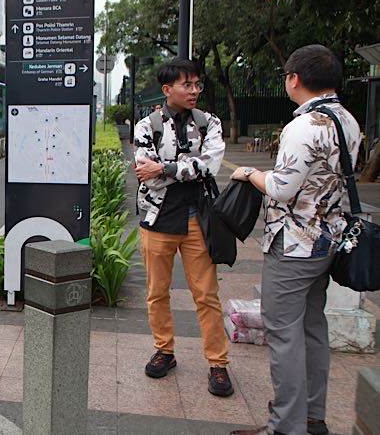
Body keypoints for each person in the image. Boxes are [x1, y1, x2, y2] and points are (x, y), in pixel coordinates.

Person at [229, 45, 360, 435]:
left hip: (296, 243)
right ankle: (312, 416)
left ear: (294, 79)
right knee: (312, 328)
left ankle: (285, 426)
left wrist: (250, 173)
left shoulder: (302, 126)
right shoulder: (347, 121)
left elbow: (281, 188)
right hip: (330, 239)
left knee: (284, 332)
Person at [133, 58, 233, 396]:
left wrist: (164, 169)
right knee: (157, 292)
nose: (194, 91)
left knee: (206, 294)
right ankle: (165, 351)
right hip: (157, 218)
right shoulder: (147, 125)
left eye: (196, 84)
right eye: (186, 85)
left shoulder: (210, 123)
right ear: (167, 89)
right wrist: (178, 169)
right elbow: (144, 171)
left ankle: (218, 365)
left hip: (197, 217)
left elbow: (209, 167)